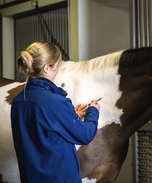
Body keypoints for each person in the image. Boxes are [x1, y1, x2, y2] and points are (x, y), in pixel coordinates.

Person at [11, 41, 100, 183]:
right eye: (57, 65)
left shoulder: (18, 101)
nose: (58, 70)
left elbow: (42, 130)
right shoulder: (57, 103)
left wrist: (72, 116)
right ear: (47, 68)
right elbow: (85, 135)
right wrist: (93, 112)